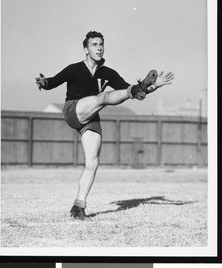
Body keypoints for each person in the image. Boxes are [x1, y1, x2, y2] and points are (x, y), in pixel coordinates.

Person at [35, 31, 174, 221]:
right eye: (94, 44)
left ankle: (78, 207)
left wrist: (152, 87)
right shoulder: (74, 69)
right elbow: (52, 82)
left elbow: (130, 91)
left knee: (92, 163)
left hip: (92, 115)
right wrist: (43, 82)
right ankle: (78, 207)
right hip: (73, 109)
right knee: (103, 98)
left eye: (101, 44)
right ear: (85, 49)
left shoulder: (108, 73)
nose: (99, 47)